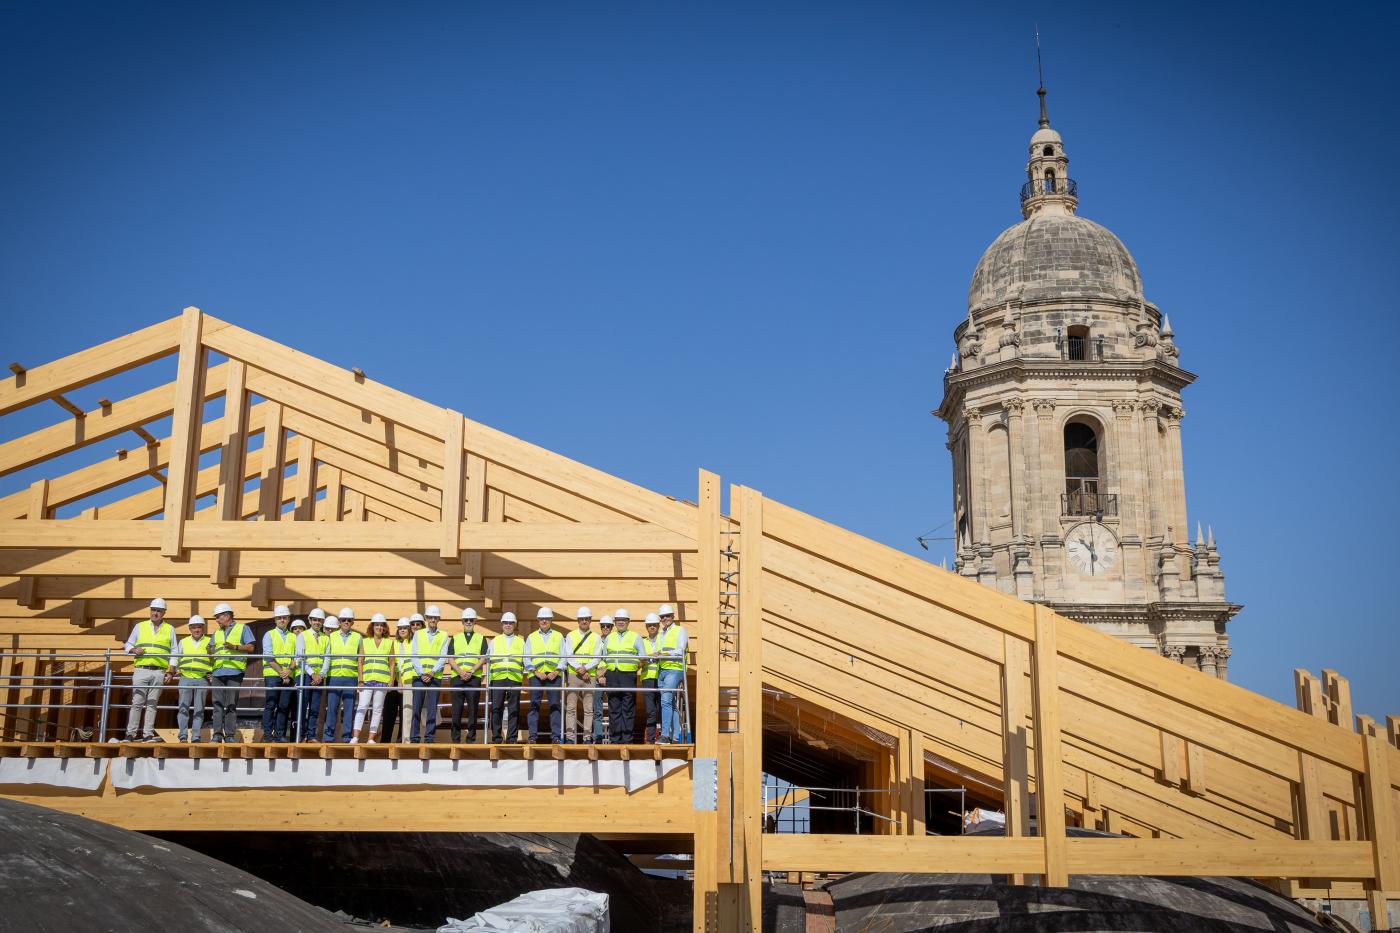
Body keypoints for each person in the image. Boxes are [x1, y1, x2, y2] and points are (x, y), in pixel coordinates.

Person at [120, 597, 177, 742]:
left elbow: (174, 651)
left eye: (158, 611)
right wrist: (133, 649)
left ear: (163, 613)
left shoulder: (170, 629)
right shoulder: (140, 626)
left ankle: (148, 735)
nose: (155, 613)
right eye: (153, 610)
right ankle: (130, 734)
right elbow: (128, 645)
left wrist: (170, 671)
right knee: (137, 702)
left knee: (152, 704)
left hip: (159, 671)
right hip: (141, 670)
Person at [210, 603, 253, 743]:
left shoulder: (243, 628)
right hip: (217, 672)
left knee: (230, 704)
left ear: (227, 616)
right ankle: (217, 734)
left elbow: (251, 647)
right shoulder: (216, 633)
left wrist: (234, 647)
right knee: (217, 704)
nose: (216, 620)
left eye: (218, 617)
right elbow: (212, 651)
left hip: (234, 671)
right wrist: (209, 651)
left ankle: (229, 735)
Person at [351, 614, 394, 743]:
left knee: (377, 709)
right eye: (377, 625)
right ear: (372, 626)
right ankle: (355, 737)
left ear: (384, 628)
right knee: (362, 706)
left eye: (381, 625)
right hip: (367, 680)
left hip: (382, 680)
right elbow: (360, 661)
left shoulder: (389, 642)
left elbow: (391, 663)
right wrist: (360, 679)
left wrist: (391, 680)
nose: (379, 627)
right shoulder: (365, 641)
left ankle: (371, 738)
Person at [409, 605, 449, 743]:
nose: (432, 619)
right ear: (426, 618)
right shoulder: (418, 634)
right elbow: (414, 655)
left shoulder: (444, 635)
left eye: (435, 617)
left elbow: (443, 657)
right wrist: (422, 672)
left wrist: (432, 672)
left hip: (435, 676)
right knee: (416, 708)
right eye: (430, 617)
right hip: (419, 676)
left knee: (432, 709)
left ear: (438, 619)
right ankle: (414, 737)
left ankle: (429, 737)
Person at [322, 608, 361, 742]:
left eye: (349, 620)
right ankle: (328, 737)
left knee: (349, 710)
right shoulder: (331, 637)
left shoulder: (358, 637)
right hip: (334, 677)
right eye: (343, 620)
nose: (346, 622)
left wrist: (360, 679)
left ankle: (347, 738)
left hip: (351, 678)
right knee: (332, 709)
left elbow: (361, 659)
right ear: (339, 622)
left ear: (352, 622)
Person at [525, 608, 564, 744]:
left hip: (554, 675)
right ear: (538, 620)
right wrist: (536, 672)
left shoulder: (559, 636)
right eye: (542, 618)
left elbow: (563, 657)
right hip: (536, 675)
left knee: (555, 705)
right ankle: (532, 737)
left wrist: (556, 671)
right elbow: (526, 658)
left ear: (551, 620)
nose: (544, 621)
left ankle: (555, 737)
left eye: (547, 618)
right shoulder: (531, 637)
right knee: (534, 705)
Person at [603, 608, 641, 743]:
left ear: (628, 621)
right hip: (612, 675)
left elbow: (642, 657)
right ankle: (615, 739)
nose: (620, 623)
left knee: (628, 709)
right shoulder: (610, 637)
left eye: (623, 620)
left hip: (628, 676)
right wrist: (602, 672)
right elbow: (603, 657)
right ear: (615, 622)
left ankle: (627, 739)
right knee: (614, 709)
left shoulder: (635, 637)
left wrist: (635, 668)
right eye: (618, 620)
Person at [448, 608, 486, 743]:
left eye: (471, 620)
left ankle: (471, 739)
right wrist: (460, 672)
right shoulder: (455, 638)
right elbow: (450, 658)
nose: (468, 622)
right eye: (466, 620)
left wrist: (471, 671)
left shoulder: (481, 638)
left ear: (475, 621)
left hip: (473, 678)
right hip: (457, 678)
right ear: (462, 621)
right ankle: (455, 739)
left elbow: (483, 657)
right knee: (456, 710)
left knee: (472, 711)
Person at [172, 614, 212, 743]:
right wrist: (173, 670)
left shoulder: (210, 642)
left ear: (203, 628)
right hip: (186, 678)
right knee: (183, 708)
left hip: (202, 679)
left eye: (199, 627)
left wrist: (212, 672)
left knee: (199, 709)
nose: (196, 630)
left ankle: (196, 736)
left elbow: (214, 659)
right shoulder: (183, 642)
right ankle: (183, 735)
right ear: (190, 629)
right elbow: (176, 657)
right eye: (194, 627)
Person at [260, 606, 297, 742]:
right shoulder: (269, 635)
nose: (282, 620)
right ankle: (268, 735)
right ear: (275, 619)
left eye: (284, 617)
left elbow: (297, 657)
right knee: (271, 705)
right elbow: (268, 657)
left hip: (287, 675)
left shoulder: (293, 637)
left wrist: (289, 672)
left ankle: (280, 735)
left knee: (283, 706)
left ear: (288, 619)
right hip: (272, 674)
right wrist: (283, 673)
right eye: (279, 618)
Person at [563, 607, 599, 744]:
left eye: (586, 619)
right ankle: (570, 737)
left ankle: (587, 737)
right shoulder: (571, 636)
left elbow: (597, 657)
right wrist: (580, 669)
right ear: (578, 620)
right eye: (582, 619)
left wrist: (585, 669)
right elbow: (568, 655)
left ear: (590, 620)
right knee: (571, 707)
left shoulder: (596, 637)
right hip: (574, 674)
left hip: (589, 675)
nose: (584, 621)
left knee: (589, 709)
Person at [488, 612, 524, 743]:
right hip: (498, 677)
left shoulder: (521, 642)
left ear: (514, 625)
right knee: (496, 708)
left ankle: (512, 738)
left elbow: (526, 661)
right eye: (506, 623)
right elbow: (489, 660)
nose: (508, 625)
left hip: (514, 678)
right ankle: (496, 737)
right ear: (502, 624)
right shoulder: (494, 641)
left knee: (514, 709)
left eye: (510, 623)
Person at [656, 604, 688, 744]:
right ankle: (676, 735)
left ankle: (665, 735)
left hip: (675, 669)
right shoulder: (661, 634)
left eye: (667, 616)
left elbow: (680, 650)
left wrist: (664, 654)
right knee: (672, 704)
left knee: (665, 701)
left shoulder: (680, 630)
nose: (664, 618)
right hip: (662, 670)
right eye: (662, 617)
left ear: (673, 617)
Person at [297, 608, 330, 742]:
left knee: (315, 708)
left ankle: (311, 736)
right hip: (305, 675)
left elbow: (327, 658)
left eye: (319, 620)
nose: (317, 622)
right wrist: (312, 674)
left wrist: (320, 675)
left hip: (318, 678)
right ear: (310, 621)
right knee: (302, 707)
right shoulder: (302, 635)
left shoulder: (325, 638)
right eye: (315, 620)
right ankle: (301, 735)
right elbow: (299, 658)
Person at [381, 618, 413, 743]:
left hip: (407, 681)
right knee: (389, 712)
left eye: (405, 628)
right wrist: (393, 681)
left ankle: (401, 741)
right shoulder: (393, 643)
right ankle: (385, 741)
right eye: (400, 628)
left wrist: (401, 681)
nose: (402, 630)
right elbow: (393, 663)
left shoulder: (412, 643)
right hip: (394, 681)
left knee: (405, 713)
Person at [640, 613, 662, 744]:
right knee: (650, 710)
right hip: (648, 678)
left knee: (663, 708)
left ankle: (664, 736)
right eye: (650, 625)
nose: (652, 627)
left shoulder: (663, 639)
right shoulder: (642, 642)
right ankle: (650, 739)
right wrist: (649, 657)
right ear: (646, 627)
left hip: (661, 677)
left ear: (658, 626)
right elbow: (638, 662)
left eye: (654, 625)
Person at [591, 615, 613, 743]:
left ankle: (614, 737)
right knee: (597, 710)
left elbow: (614, 660)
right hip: (597, 678)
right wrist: (598, 676)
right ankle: (598, 737)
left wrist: (603, 674)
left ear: (612, 627)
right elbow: (593, 659)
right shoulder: (596, 640)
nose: (605, 628)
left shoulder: (615, 640)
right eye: (603, 626)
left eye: (608, 626)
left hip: (610, 677)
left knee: (614, 709)